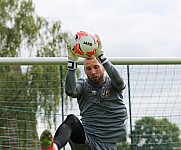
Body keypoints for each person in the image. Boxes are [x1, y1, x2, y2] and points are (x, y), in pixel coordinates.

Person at [40, 34, 128, 150]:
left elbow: (120, 84)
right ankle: (53, 147)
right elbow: (70, 91)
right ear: (85, 71)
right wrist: (72, 61)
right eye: (88, 68)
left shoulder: (112, 84)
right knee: (72, 120)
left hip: (108, 145)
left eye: (96, 67)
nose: (93, 72)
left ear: (103, 67)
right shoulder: (83, 85)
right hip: (86, 141)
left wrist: (101, 56)